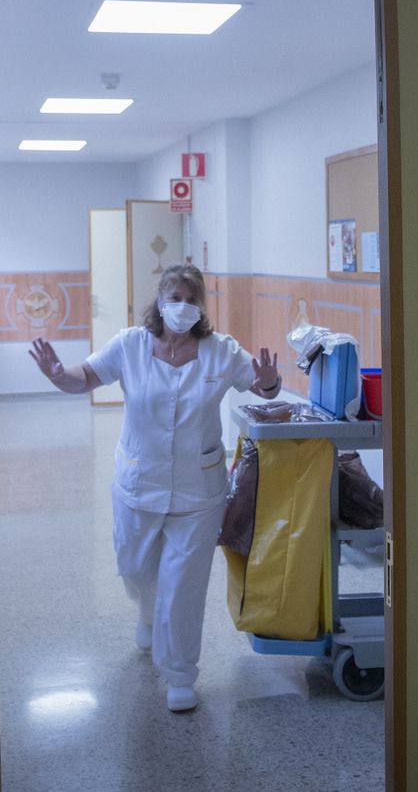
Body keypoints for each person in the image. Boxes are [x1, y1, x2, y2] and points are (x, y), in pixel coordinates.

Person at [29, 263, 281, 712]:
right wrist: (56, 374)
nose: (182, 306)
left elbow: (263, 387)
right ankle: (147, 611)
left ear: (201, 306)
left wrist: (269, 382)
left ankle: (180, 675)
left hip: (198, 491)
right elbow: (84, 377)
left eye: (191, 299)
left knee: (184, 585)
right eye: (174, 297)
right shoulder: (130, 345)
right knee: (136, 568)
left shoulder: (220, 351)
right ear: (159, 303)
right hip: (137, 483)